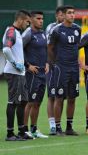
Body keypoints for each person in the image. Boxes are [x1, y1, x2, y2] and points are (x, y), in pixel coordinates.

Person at [48, 5, 81, 136]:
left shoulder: (78, 29)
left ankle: (69, 127)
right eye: (69, 13)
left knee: (72, 98)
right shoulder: (57, 30)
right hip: (61, 68)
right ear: (64, 15)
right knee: (59, 97)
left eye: (73, 13)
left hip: (74, 68)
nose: (72, 15)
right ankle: (57, 127)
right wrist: (54, 63)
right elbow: (50, 47)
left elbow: (77, 46)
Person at [2, 10, 33, 141]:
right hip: (14, 73)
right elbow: (6, 49)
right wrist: (15, 64)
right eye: (27, 21)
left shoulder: (18, 33)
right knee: (13, 102)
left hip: (20, 73)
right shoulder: (11, 31)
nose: (28, 24)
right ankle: (10, 134)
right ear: (20, 20)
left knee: (23, 101)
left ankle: (21, 132)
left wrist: (23, 66)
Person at [22, 11, 49, 138]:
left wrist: (47, 63)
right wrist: (28, 65)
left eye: (42, 18)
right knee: (29, 102)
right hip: (32, 74)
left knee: (38, 102)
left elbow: (45, 50)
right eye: (38, 19)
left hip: (43, 73)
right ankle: (24, 130)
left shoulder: (43, 33)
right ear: (31, 20)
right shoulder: (28, 33)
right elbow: (17, 50)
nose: (41, 21)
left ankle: (34, 129)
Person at [45, 6, 65, 135]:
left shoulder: (71, 28)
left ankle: (59, 124)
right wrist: (49, 63)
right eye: (63, 15)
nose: (65, 17)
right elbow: (48, 47)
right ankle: (52, 125)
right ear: (57, 15)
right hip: (52, 66)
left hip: (65, 67)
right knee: (52, 96)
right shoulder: (51, 28)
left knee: (61, 97)